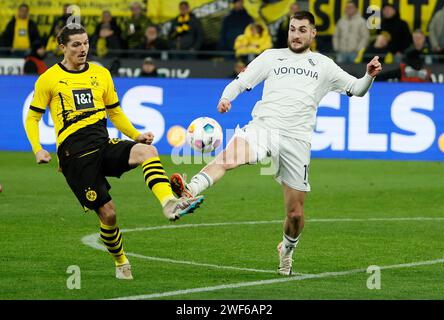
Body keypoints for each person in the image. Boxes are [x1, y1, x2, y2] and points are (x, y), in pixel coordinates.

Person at [170, 11, 382, 276]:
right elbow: (242, 81)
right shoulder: (271, 56)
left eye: (302, 30)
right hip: (264, 127)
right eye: (293, 29)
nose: (296, 34)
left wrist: (369, 75)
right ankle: (189, 190)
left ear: (313, 33)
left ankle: (287, 250)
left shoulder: (324, 65)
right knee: (228, 158)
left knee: (295, 214)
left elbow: (357, 89)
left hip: (297, 139)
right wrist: (226, 98)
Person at [24, 24, 203, 280]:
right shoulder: (49, 79)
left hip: (102, 142)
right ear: (62, 47)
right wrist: (38, 149)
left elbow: (115, 112)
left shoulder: (101, 74)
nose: (83, 49)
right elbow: (32, 118)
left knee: (147, 151)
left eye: (85, 43)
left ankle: (168, 203)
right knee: (109, 214)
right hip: (74, 155)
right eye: (76, 44)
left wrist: (135, 135)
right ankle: (121, 261)